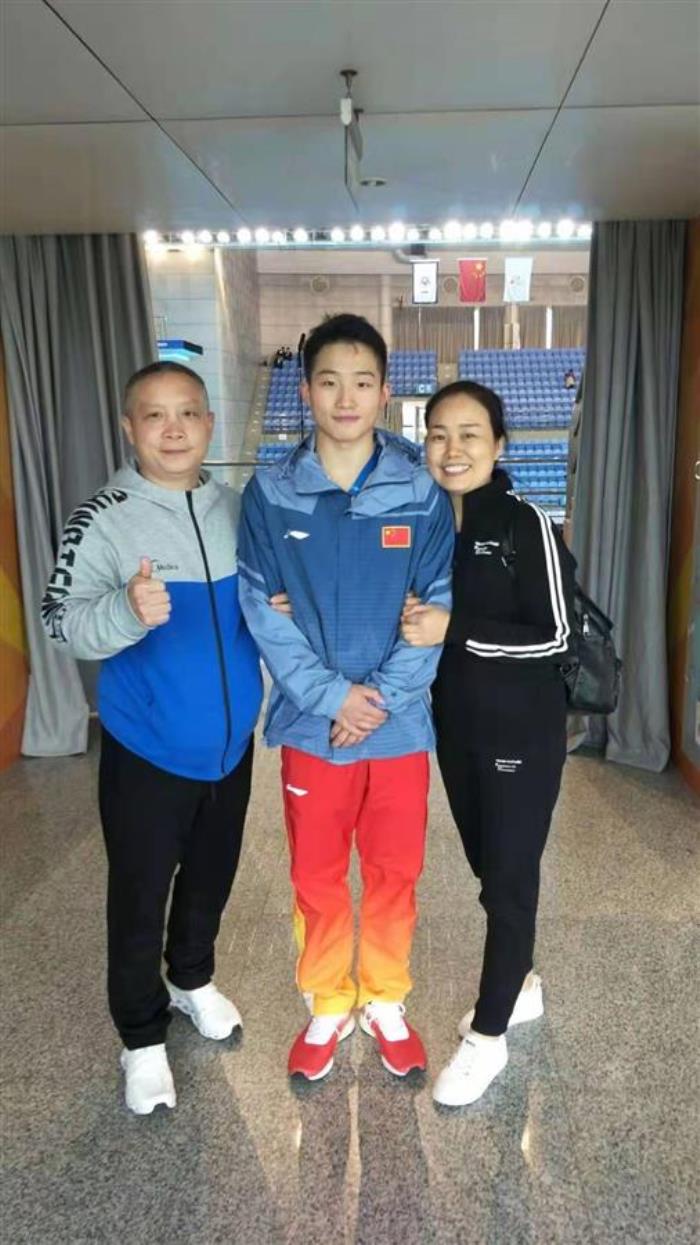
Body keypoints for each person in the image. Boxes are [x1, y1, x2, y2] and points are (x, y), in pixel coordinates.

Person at [41, 361, 262, 1114]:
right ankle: (140, 1036)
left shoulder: (236, 508)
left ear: (209, 424)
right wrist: (127, 610)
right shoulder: (103, 517)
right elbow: (61, 622)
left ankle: (191, 978)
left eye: (188, 413)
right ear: (129, 428)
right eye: (155, 415)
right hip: (148, 751)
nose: (173, 429)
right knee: (139, 895)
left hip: (231, 748)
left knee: (211, 877)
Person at [238, 314, 454, 1082]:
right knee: (317, 873)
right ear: (306, 391)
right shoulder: (270, 493)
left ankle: (386, 997)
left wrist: (377, 701)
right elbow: (261, 607)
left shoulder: (420, 491)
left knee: (395, 870)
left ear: (385, 390)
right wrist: (333, 698)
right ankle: (329, 1000)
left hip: (398, 728)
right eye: (329, 381)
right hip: (311, 725)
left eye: (362, 381)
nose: (346, 397)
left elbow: (437, 607)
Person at [401, 380, 576, 1107]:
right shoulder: (426, 524)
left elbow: (557, 634)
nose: (452, 449)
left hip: (520, 730)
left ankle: (490, 1034)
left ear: (499, 445)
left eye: (470, 434)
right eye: (438, 433)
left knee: (508, 880)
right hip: (456, 727)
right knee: (487, 868)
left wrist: (456, 629)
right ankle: (522, 982)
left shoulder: (524, 522)